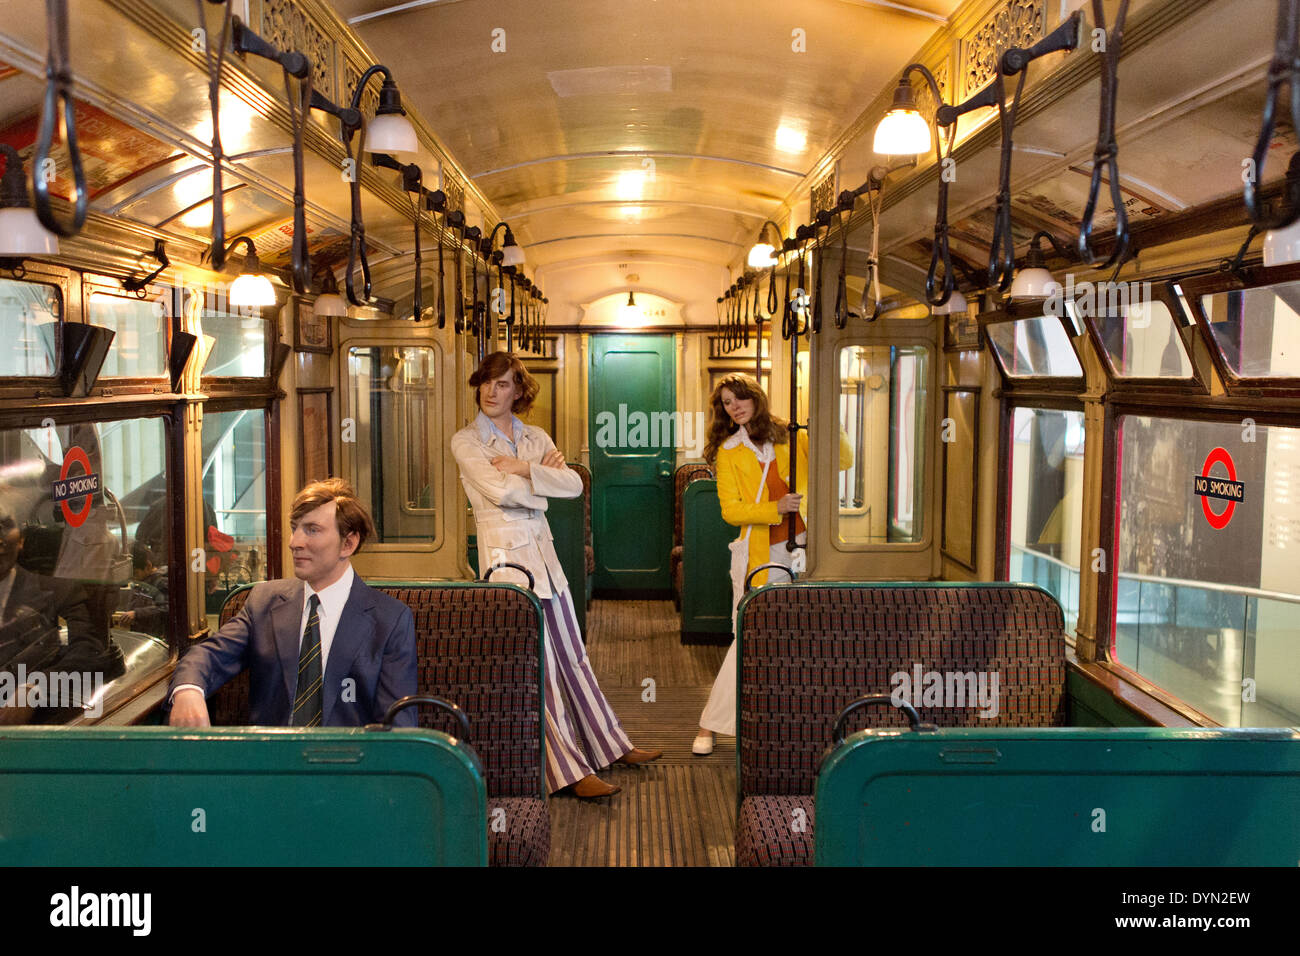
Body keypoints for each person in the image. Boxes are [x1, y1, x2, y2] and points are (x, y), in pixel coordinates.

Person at [451, 351, 661, 799]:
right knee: (540, 669)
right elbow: (499, 490)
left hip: (547, 561)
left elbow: (576, 485)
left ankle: (609, 744)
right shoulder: (466, 442)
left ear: (518, 391)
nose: (491, 391)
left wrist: (528, 469)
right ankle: (567, 772)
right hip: (507, 564)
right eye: (486, 382)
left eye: (503, 384)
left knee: (574, 657)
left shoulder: (535, 437)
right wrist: (544, 485)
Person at [168, 478, 417, 728]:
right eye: (294, 528)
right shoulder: (264, 602)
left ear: (348, 543)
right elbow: (207, 655)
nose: (294, 542)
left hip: (348, 762)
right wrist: (189, 690)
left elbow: (398, 727)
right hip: (272, 759)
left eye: (312, 530)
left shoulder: (390, 620)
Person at [692, 373, 852, 755]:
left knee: (805, 636)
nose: (734, 407)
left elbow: (842, 460)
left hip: (809, 547)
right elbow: (731, 511)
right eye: (727, 403)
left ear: (756, 398)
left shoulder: (790, 435)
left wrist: (827, 420)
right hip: (764, 553)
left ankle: (791, 721)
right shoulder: (729, 451)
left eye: (740, 398)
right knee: (750, 635)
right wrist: (773, 509)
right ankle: (709, 725)